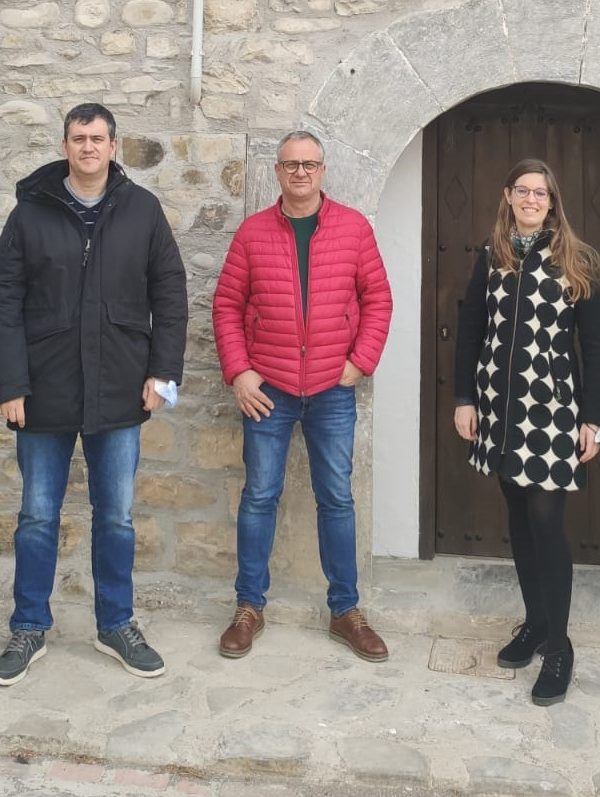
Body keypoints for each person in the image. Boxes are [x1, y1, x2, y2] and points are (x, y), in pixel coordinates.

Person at [0, 103, 188, 686]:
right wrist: (10, 383)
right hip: (44, 390)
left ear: (113, 146)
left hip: (119, 388)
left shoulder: (142, 210)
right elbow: (5, 301)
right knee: (37, 515)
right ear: (65, 146)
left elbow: (170, 293)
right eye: (78, 138)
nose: (88, 147)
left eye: (97, 138)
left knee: (116, 517)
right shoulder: (30, 214)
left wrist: (162, 375)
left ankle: (116, 625)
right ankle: (29, 627)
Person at [212, 130, 393, 662]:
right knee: (259, 496)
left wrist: (361, 361)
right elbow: (226, 306)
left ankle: (345, 611)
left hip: (332, 390)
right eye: (290, 164)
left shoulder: (353, 229)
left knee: (336, 497)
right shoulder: (252, 233)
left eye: (309, 164)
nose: (300, 173)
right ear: (277, 171)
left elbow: (378, 299)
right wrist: (239, 372)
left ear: (322, 170)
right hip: (267, 388)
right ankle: (249, 608)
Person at [454, 158, 600, 706]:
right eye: (523, 190)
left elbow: (594, 346)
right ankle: (536, 623)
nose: (532, 199)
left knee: (546, 522)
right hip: (499, 409)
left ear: (552, 200)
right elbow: (471, 328)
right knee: (517, 516)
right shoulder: (493, 255)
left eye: (541, 192)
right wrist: (464, 398)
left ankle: (559, 646)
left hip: (552, 413)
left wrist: (593, 418)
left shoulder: (577, 260)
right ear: (508, 196)